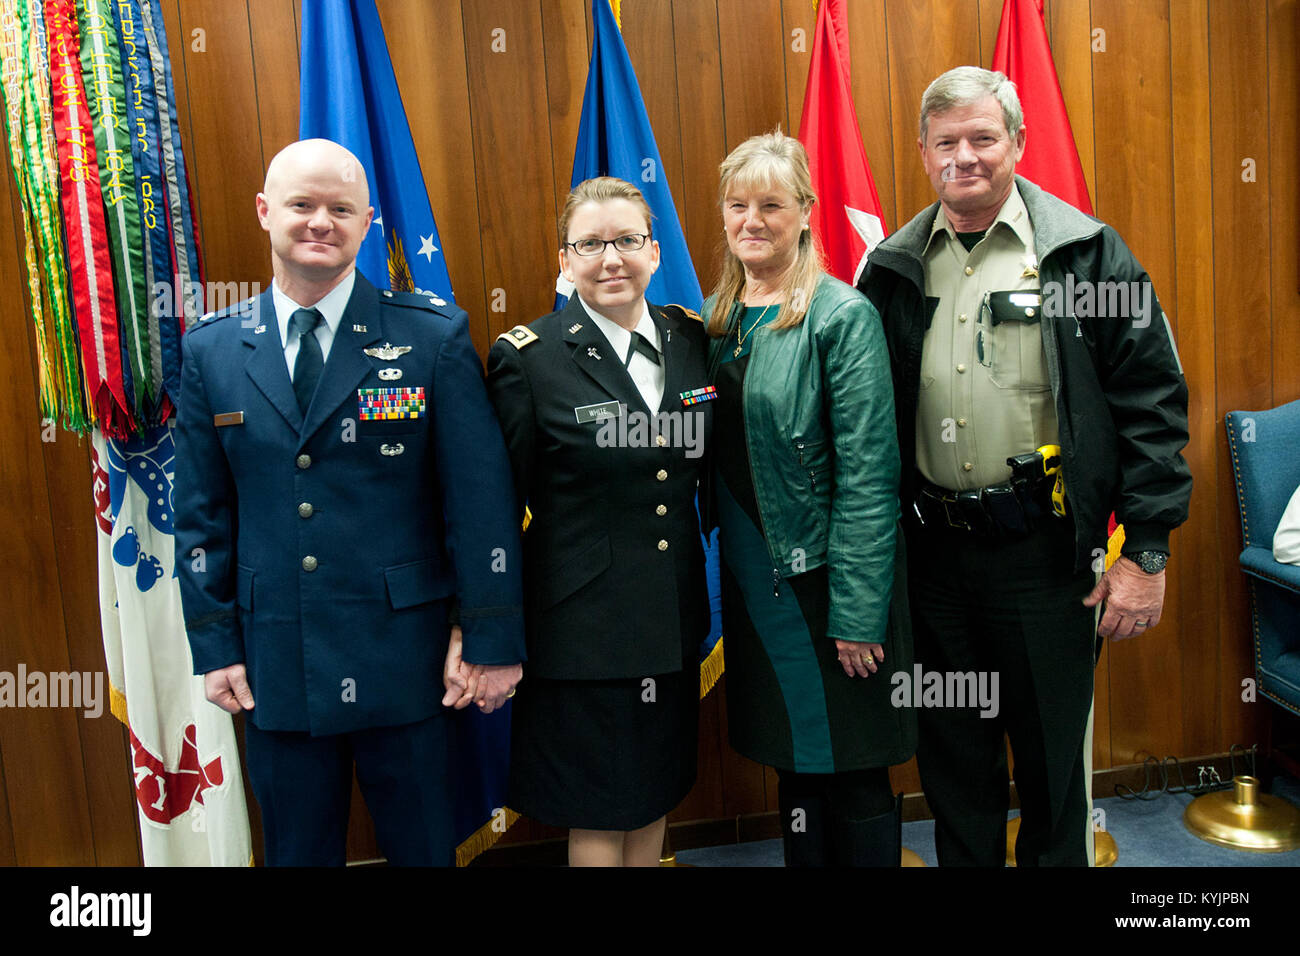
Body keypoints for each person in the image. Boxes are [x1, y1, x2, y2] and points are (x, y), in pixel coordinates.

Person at [857, 67, 1192, 866]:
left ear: (1018, 143)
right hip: (934, 566)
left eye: (982, 138)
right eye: (947, 143)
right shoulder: (892, 271)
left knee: (1050, 775)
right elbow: (864, 423)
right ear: (922, 151)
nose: (963, 158)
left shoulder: (1086, 256)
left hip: (1046, 564)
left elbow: (1152, 402)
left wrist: (1145, 550)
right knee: (955, 770)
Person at [173, 138, 525, 866]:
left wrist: (487, 640)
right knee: (298, 854)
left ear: (368, 222)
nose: (319, 222)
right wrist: (215, 645)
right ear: (267, 212)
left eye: (341, 209)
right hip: (276, 658)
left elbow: (480, 503)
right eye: (302, 205)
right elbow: (202, 513)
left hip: (411, 659)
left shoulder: (431, 335)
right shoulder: (211, 349)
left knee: (424, 851)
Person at [485, 177, 712, 867]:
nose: (611, 259)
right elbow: (496, 509)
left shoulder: (690, 339)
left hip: (673, 615)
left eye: (627, 241)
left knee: (654, 792)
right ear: (564, 260)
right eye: (590, 244)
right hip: (585, 629)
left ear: (653, 250)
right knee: (598, 806)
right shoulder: (529, 359)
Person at [703, 131, 914, 867]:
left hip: (829, 584)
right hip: (757, 587)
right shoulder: (715, 321)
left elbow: (868, 475)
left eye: (772, 203)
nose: (752, 220)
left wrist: (858, 611)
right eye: (738, 205)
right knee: (795, 763)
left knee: (853, 766)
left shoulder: (840, 314)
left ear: (806, 211)